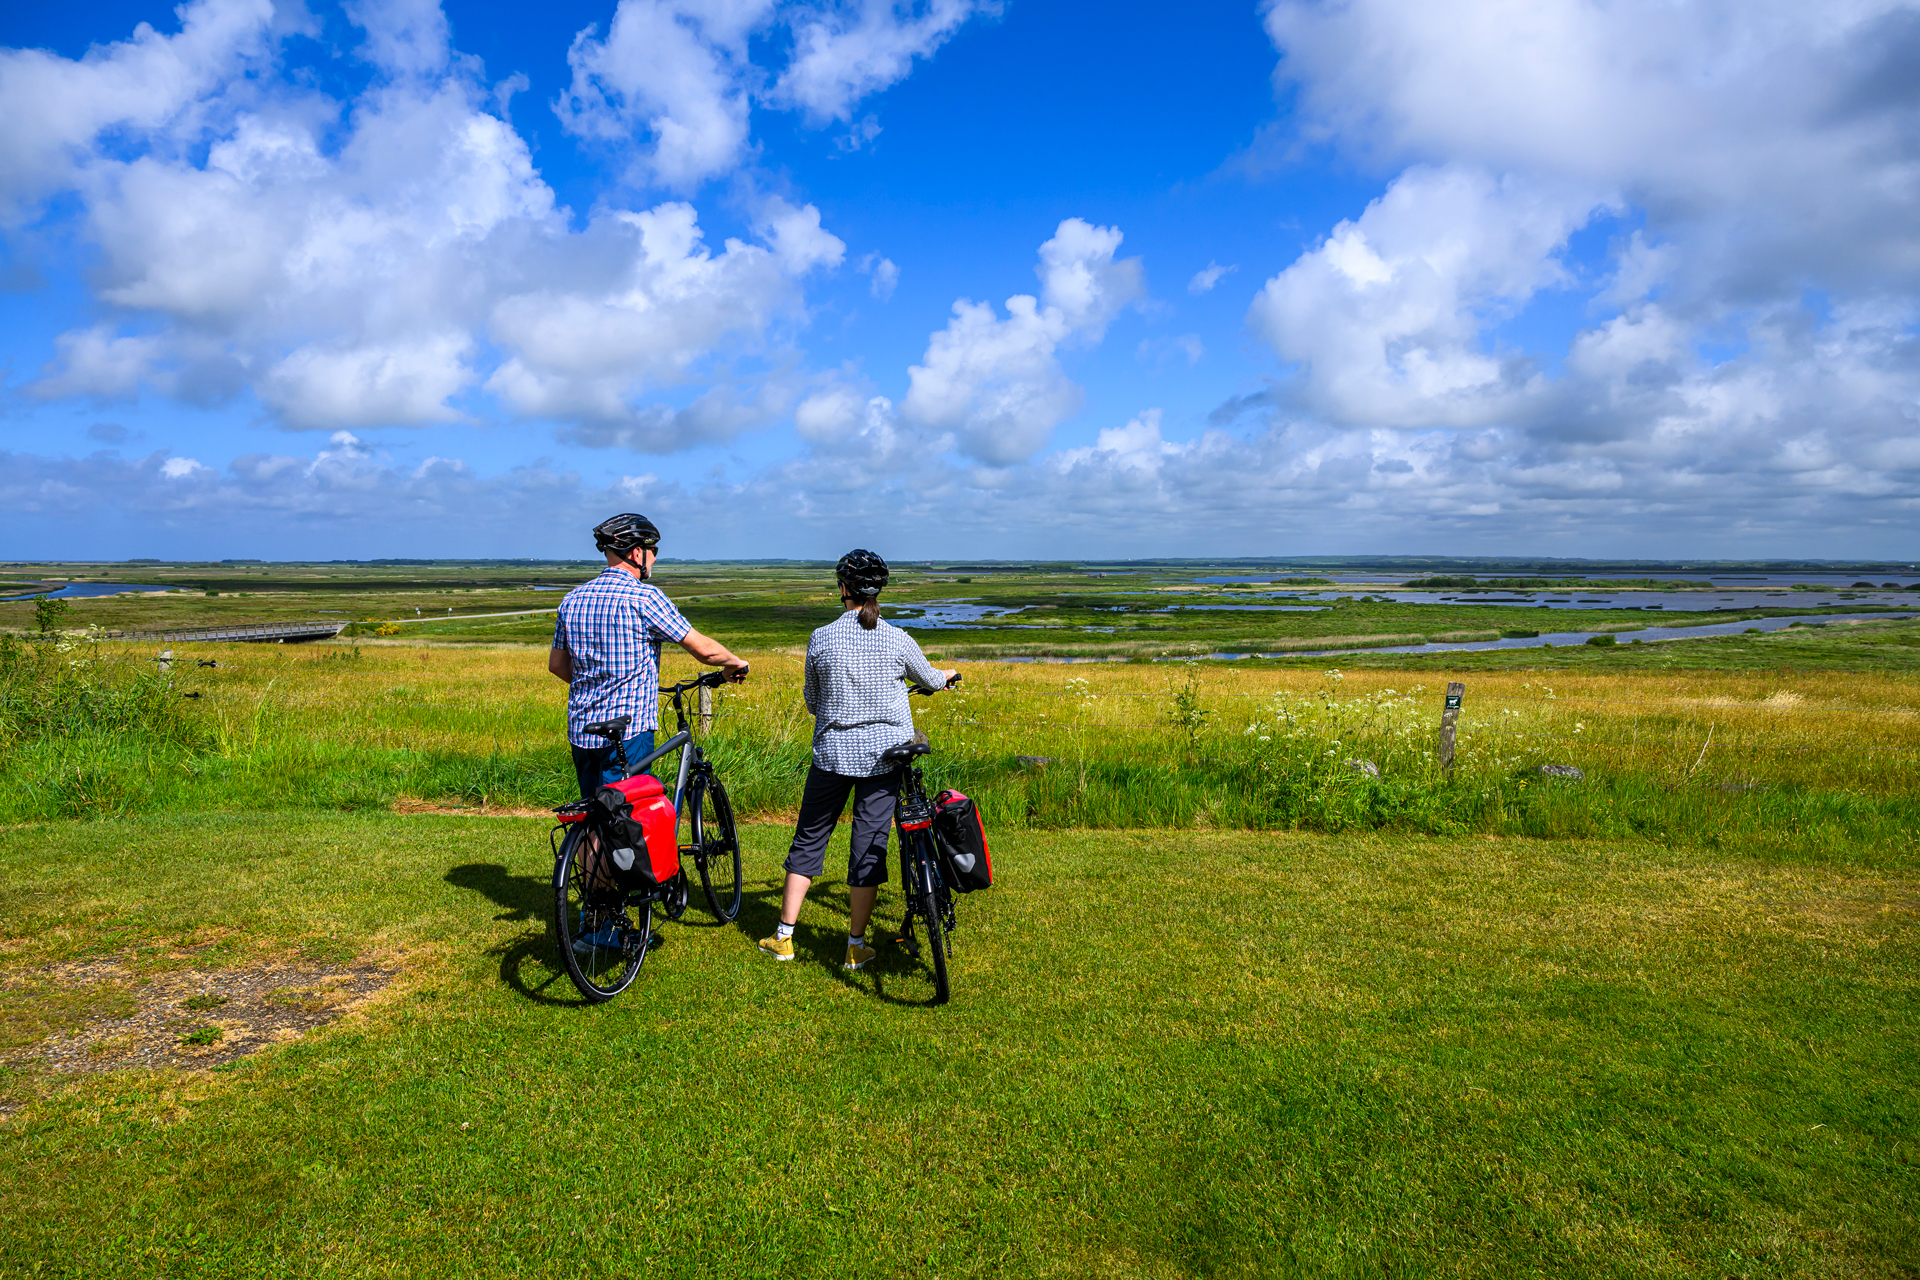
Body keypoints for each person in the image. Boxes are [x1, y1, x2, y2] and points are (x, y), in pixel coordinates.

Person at [759, 549, 960, 970]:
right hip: (884, 760)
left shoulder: (822, 637)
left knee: (809, 839)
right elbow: (928, 678)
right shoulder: (897, 638)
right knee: (869, 844)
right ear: (878, 590)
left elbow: (813, 702)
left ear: (843, 589)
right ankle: (855, 945)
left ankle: (783, 937)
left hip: (831, 756)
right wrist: (947, 677)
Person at [549, 513, 749, 803]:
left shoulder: (573, 599)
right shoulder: (644, 598)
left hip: (582, 729)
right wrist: (734, 663)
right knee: (625, 818)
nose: (654, 558)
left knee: (593, 813)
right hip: (628, 731)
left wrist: (599, 683)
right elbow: (704, 650)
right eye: (653, 551)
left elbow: (557, 666)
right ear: (636, 552)